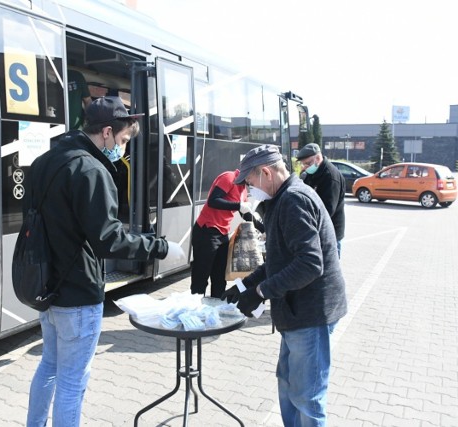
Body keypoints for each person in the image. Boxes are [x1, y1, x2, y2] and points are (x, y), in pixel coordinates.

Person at [24, 96, 184, 427]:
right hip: (78, 291)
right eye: (124, 141)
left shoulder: (45, 160)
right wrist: (159, 248)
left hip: (46, 284)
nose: (123, 150)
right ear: (108, 133)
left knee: (49, 366)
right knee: (72, 381)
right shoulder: (91, 169)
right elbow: (108, 238)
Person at [222, 144, 347, 427]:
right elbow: (280, 259)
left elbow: (310, 264)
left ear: (266, 172)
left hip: (312, 313)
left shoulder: (294, 200)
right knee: (288, 381)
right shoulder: (281, 199)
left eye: (250, 183)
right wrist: (245, 286)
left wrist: (261, 292)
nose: (248, 191)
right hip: (296, 313)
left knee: (307, 396)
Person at [190, 170, 263, 298]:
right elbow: (213, 200)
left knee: (219, 276)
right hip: (206, 230)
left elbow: (245, 214)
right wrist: (238, 205)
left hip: (223, 233)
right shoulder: (229, 178)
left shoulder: (243, 190)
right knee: (201, 275)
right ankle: (194, 309)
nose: (253, 182)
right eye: (253, 177)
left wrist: (264, 228)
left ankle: (216, 308)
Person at [296, 143, 346, 257]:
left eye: (307, 163)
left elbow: (327, 210)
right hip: (316, 231)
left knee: (330, 271)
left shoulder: (331, 177)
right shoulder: (311, 173)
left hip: (330, 233)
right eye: (303, 164)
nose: (305, 167)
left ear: (318, 158)